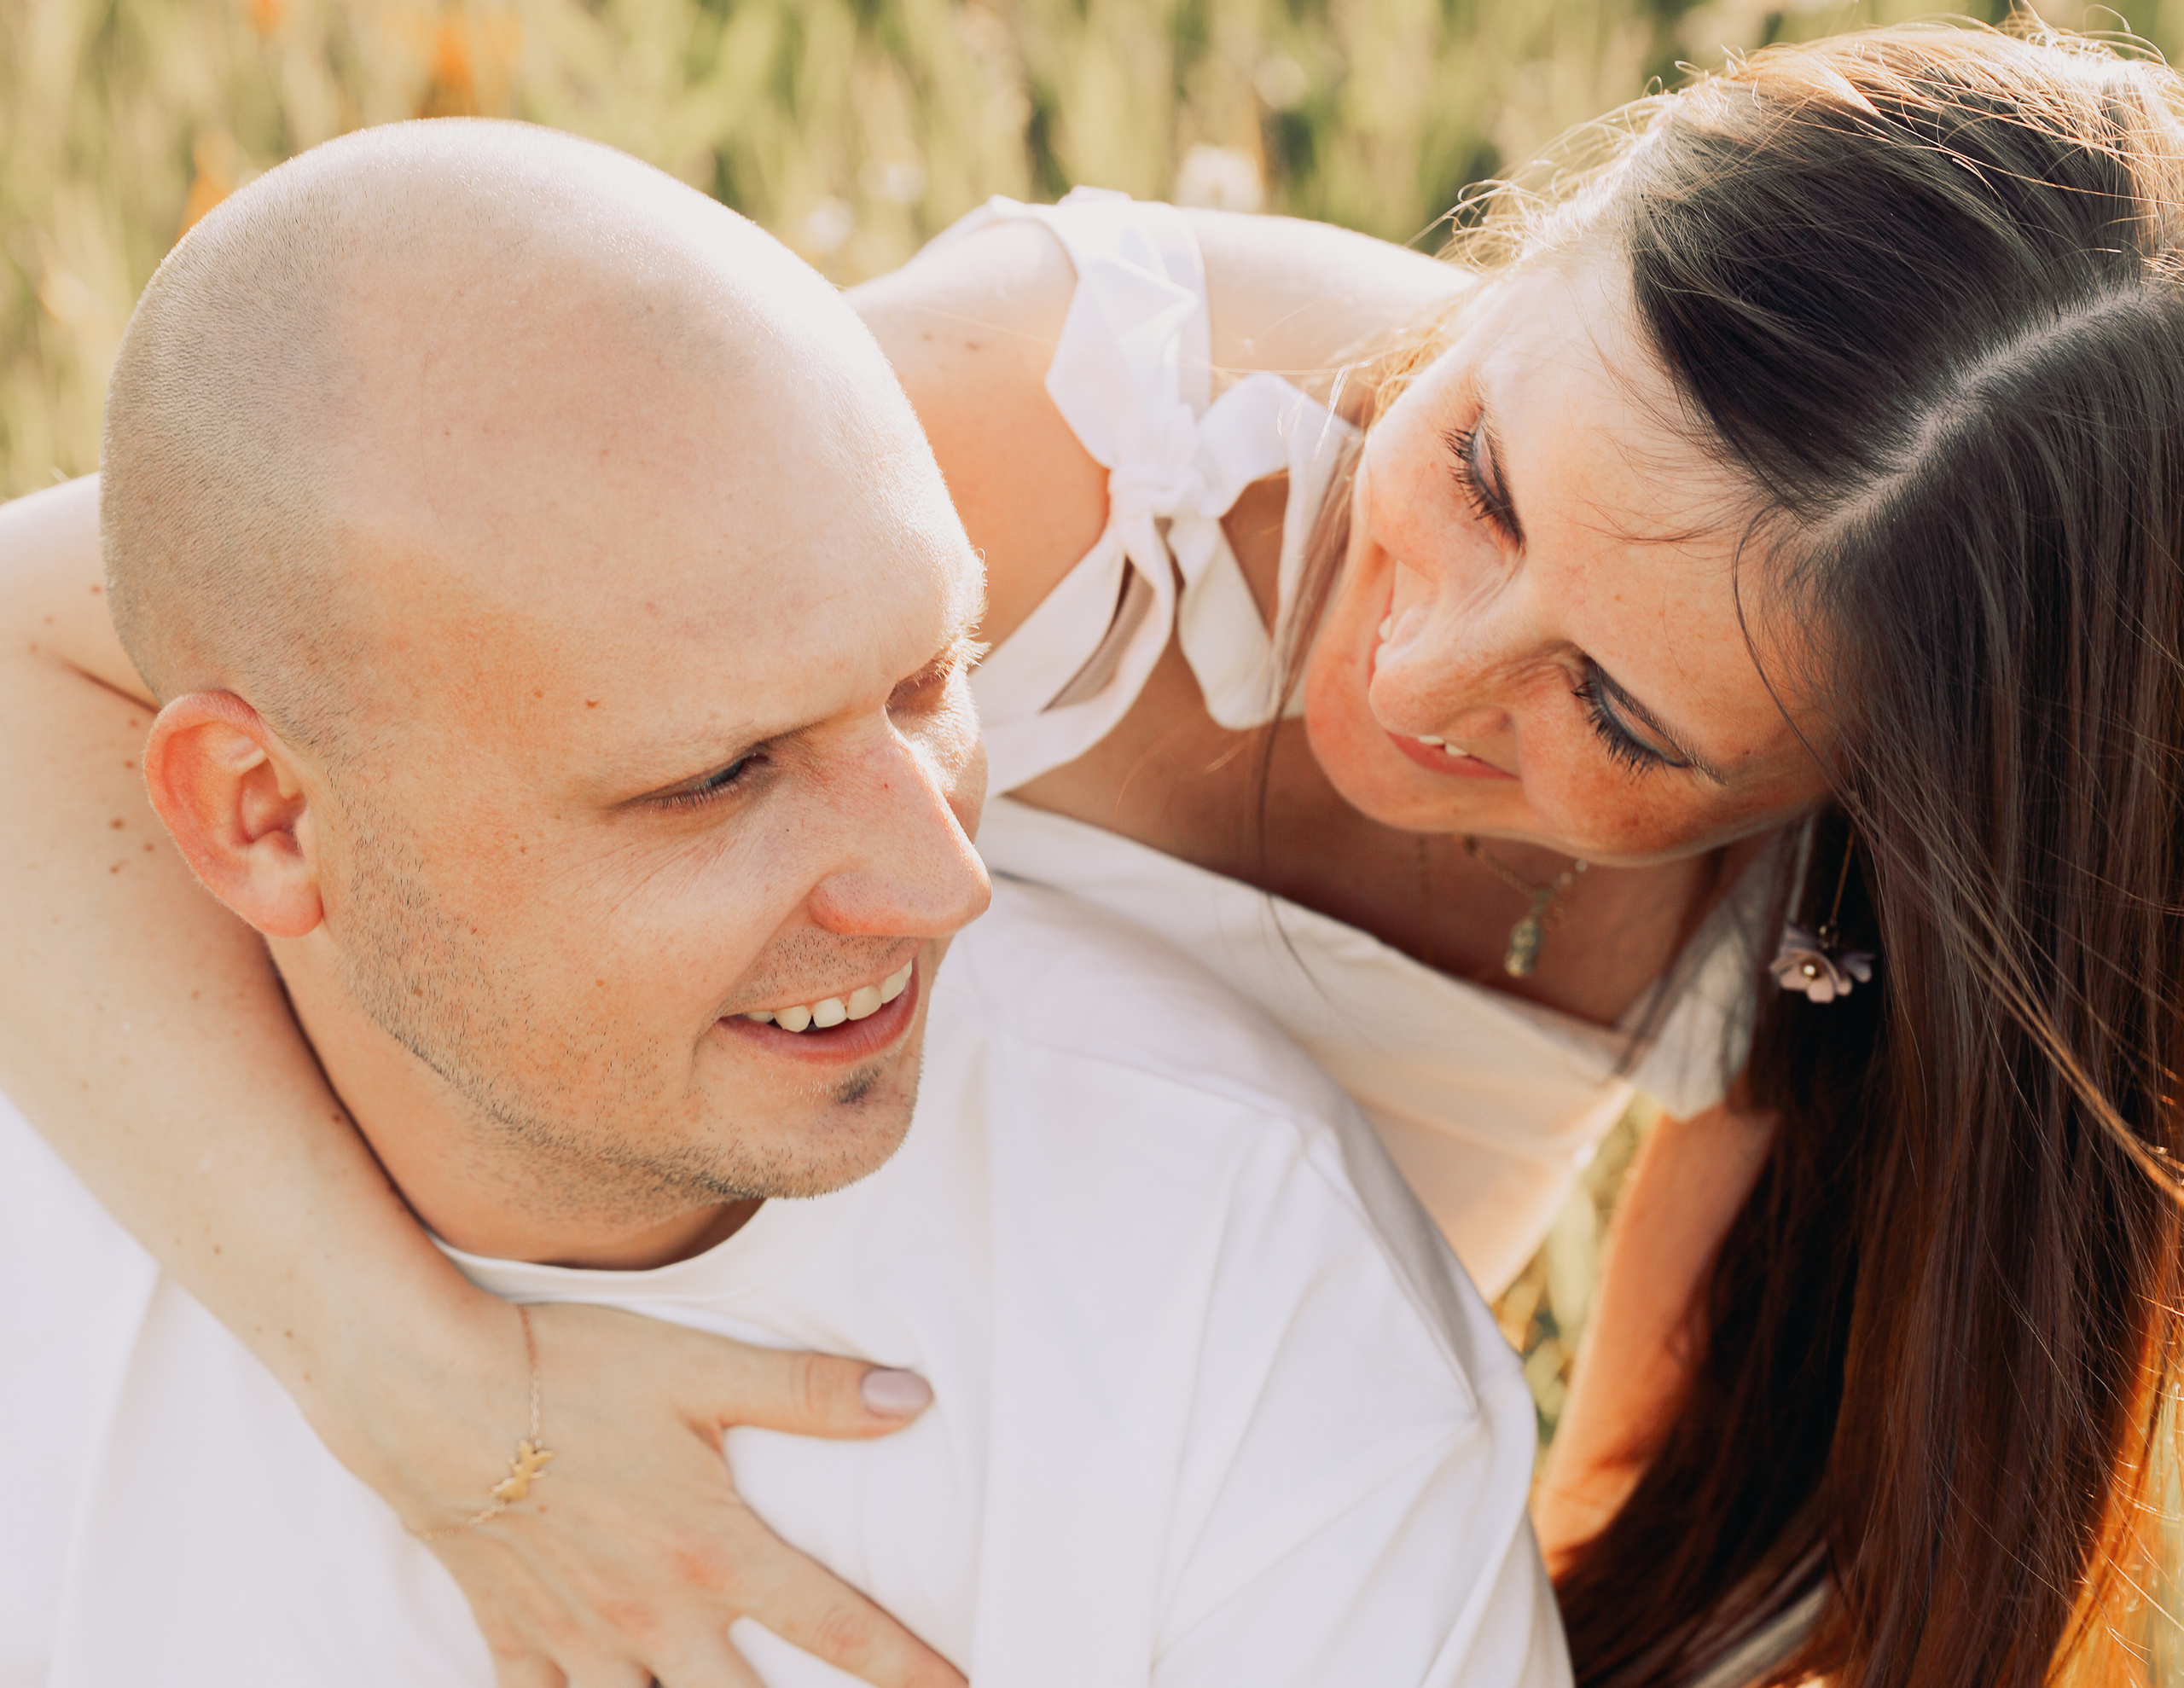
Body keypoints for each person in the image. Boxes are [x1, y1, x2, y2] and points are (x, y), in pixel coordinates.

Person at [2, 16, 2179, 1687]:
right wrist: (425, 1396)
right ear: (1524, 265)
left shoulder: (1795, 971)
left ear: (1855, 816)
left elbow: (1626, 1505)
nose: (1420, 673)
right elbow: (118, 647)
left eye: (1614, 713)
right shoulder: (1073, 416)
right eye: (1483, 472)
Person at [0, 119, 1564, 1688]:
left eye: (929, 678)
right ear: (264, 814)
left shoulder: (1248, 1289)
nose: (946, 887)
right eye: (719, 777)